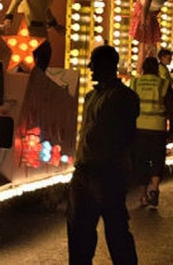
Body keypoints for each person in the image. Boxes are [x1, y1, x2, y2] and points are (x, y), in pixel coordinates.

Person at [67, 45, 139, 265]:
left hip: (107, 173)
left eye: (94, 62)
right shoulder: (91, 96)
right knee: (79, 234)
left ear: (108, 65)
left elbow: (125, 136)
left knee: (116, 233)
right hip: (84, 172)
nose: (90, 67)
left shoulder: (123, 97)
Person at [130, 56, 173, 208]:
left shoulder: (135, 83)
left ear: (143, 68)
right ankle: (155, 188)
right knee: (157, 159)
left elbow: (127, 106)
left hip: (138, 128)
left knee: (140, 161)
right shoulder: (163, 84)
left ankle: (143, 196)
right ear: (157, 70)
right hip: (158, 128)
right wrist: (172, 130)